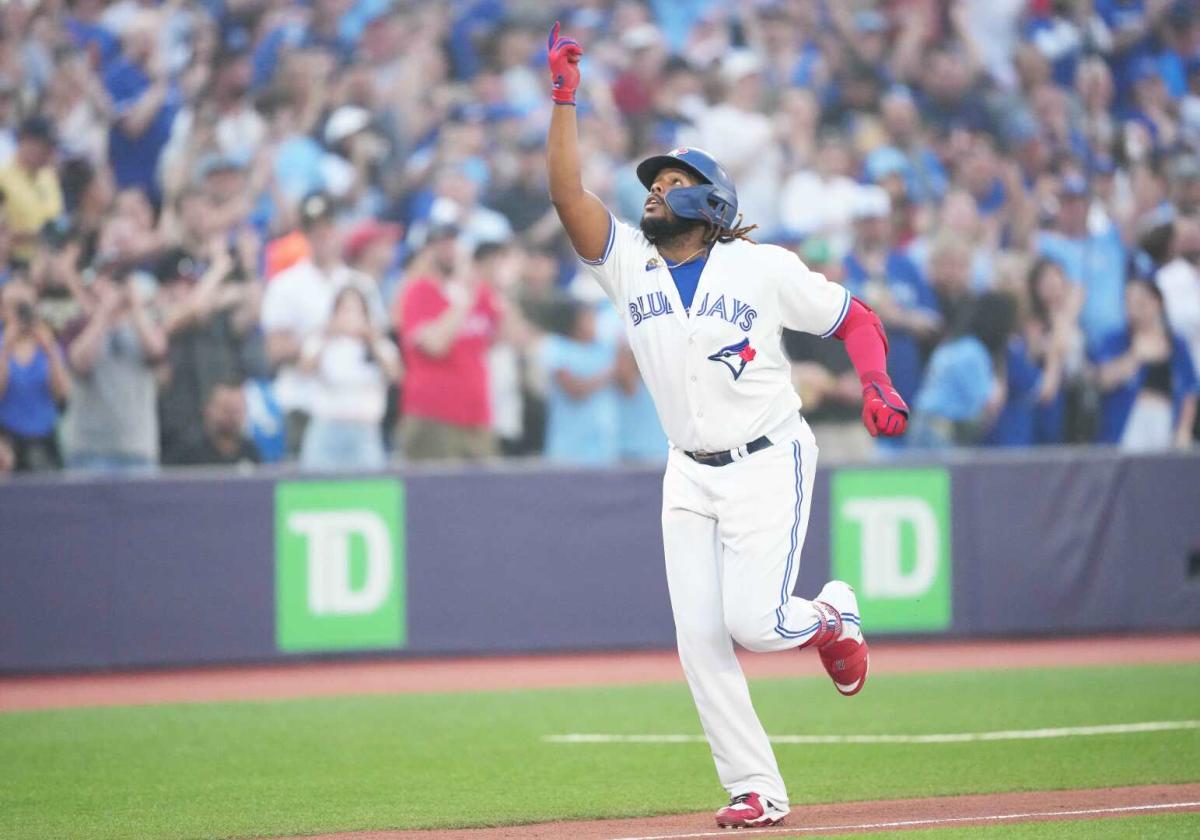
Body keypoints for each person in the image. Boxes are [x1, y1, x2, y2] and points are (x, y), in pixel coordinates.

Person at [544, 22, 908, 830]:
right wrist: (565, 100)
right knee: (699, 640)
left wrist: (876, 381)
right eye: (650, 182)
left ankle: (832, 613)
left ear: (709, 204)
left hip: (766, 459)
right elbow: (569, 196)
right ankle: (757, 788)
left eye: (669, 181)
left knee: (754, 623)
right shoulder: (629, 261)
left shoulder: (761, 266)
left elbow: (853, 317)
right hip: (689, 469)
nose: (651, 192)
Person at [395, 225, 501, 462]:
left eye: (453, 243)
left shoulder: (479, 291)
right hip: (433, 414)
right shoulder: (417, 292)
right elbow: (435, 346)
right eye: (440, 244)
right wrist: (463, 303)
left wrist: (497, 285)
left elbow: (506, 337)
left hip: (477, 414)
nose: (448, 251)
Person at [60, 262, 167, 473]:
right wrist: (103, 315)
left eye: (119, 282)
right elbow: (80, 362)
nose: (114, 288)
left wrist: (135, 307)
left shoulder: (146, 323)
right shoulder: (78, 325)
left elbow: (156, 350)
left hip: (138, 449)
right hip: (88, 450)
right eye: (107, 280)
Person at [299, 285, 400, 471]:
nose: (350, 317)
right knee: (317, 491)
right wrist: (329, 334)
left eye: (356, 310)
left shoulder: (379, 345)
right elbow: (305, 369)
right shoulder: (320, 341)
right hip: (327, 428)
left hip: (364, 430)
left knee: (369, 492)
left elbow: (395, 375)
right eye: (345, 310)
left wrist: (371, 339)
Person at [1093, 279, 1197, 451]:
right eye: (1129, 302)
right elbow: (1103, 380)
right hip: (1127, 420)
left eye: (1141, 302)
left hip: (1164, 417)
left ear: (1157, 302)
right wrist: (1135, 356)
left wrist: (1183, 429)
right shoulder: (1115, 340)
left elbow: (1189, 389)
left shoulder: (1176, 343)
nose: (1134, 308)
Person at [0, 280, 71, 471]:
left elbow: (62, 394)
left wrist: (50, 351)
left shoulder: (48, 345)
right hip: (6, 441)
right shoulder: (2, 346)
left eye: (24, 305)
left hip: (44, 439)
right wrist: (6, 349)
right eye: (13, 306)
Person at [540, 297, 619, 465]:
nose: (594, 323)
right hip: (568, 450)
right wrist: (612, 371)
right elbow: (575, 391)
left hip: (603, 447)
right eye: (588, 318)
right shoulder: (557, 348)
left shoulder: (603, 348)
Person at [172, 381, 260, 467]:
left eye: (236, 411)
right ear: (208, 410)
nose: (231, 417)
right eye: (226, 410)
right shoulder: (187, 452)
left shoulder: (250, 452)